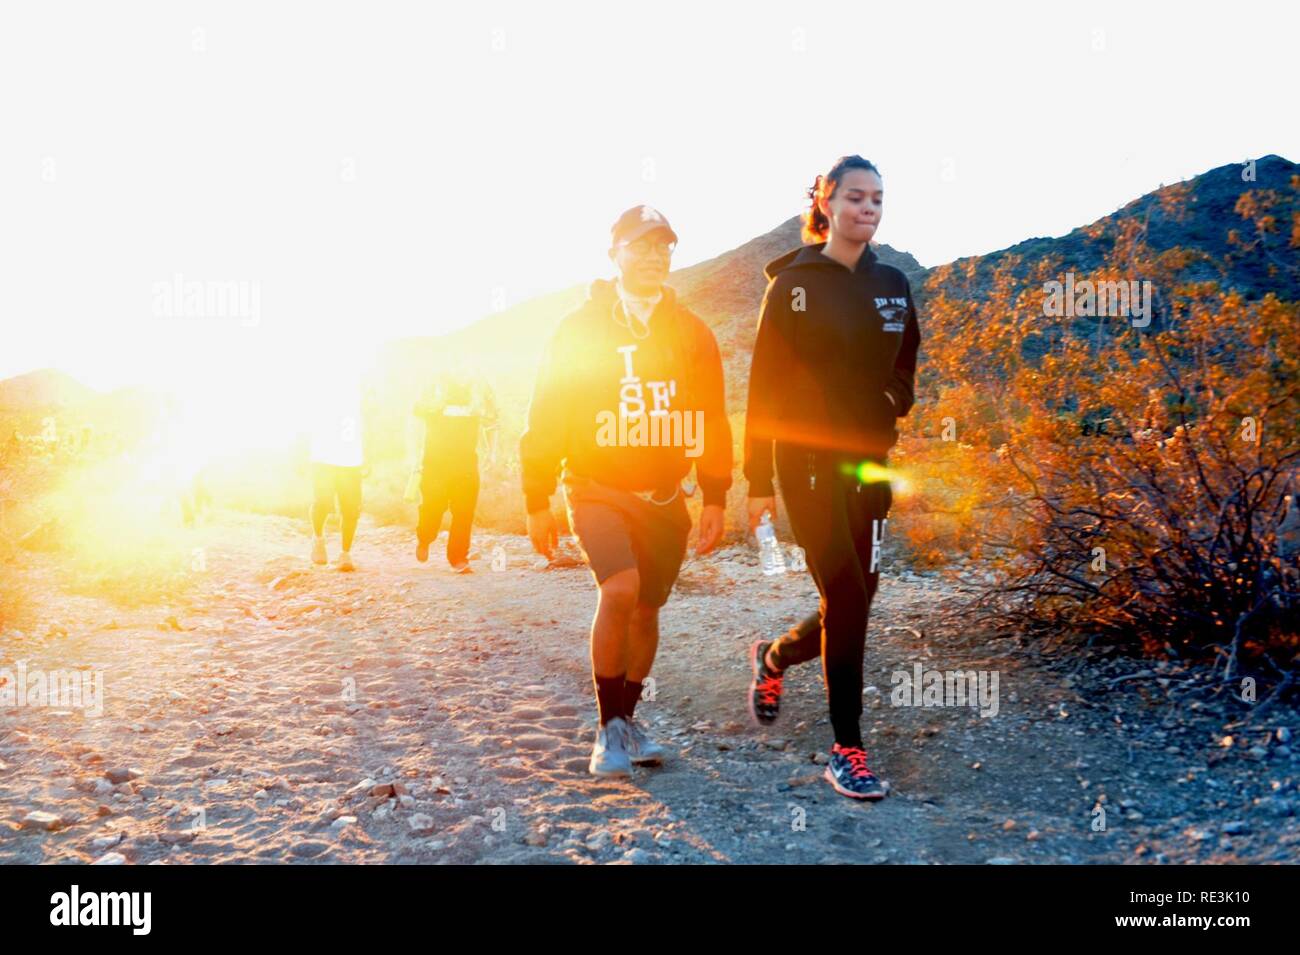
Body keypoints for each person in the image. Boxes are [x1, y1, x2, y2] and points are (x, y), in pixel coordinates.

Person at [520, 205, 732, 777]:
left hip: (665, 494)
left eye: (663, 247)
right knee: (620, 589)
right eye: (640, 246)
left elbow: (712, 418)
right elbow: (547, 414)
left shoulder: (692, 332)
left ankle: (629, 722)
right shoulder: (579, 329)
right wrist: (537, 498)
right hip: (596, 486)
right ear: (614, 253)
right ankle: (608, 728)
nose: (653, 257)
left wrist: (715, 495)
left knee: (647, 608)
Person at [743, 156, 921, 800]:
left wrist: (890, 403)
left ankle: (775, 657)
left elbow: (905, 368)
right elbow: (763, 387)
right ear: (825, 201)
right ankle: (847, 747)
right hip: (807, 463)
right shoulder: (793, 285)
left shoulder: (895, 284)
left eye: (877, 197)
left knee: (854, 599)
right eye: (854, 196)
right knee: (846, 593)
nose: (867, 208)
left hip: (868, 461)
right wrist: (756, 480)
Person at [412, 367, 498, 573]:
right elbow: (416, 410)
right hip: (435, 462)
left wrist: (492, 452)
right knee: (433, 507)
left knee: (464, 510)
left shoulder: (479, 385)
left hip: (466, 462)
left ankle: (458, 558)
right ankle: (425, 538)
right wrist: (436, 406)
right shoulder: (434, 382)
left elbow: (492, 420)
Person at [308, 373, 369, 571]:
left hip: (351, 462)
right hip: (323, 460)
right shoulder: (320, 399)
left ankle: (345, 554)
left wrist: (369, 457)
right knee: (323, 503)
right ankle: (318, 539)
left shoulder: (361, 402)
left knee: (351, 509)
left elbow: (368, 431)